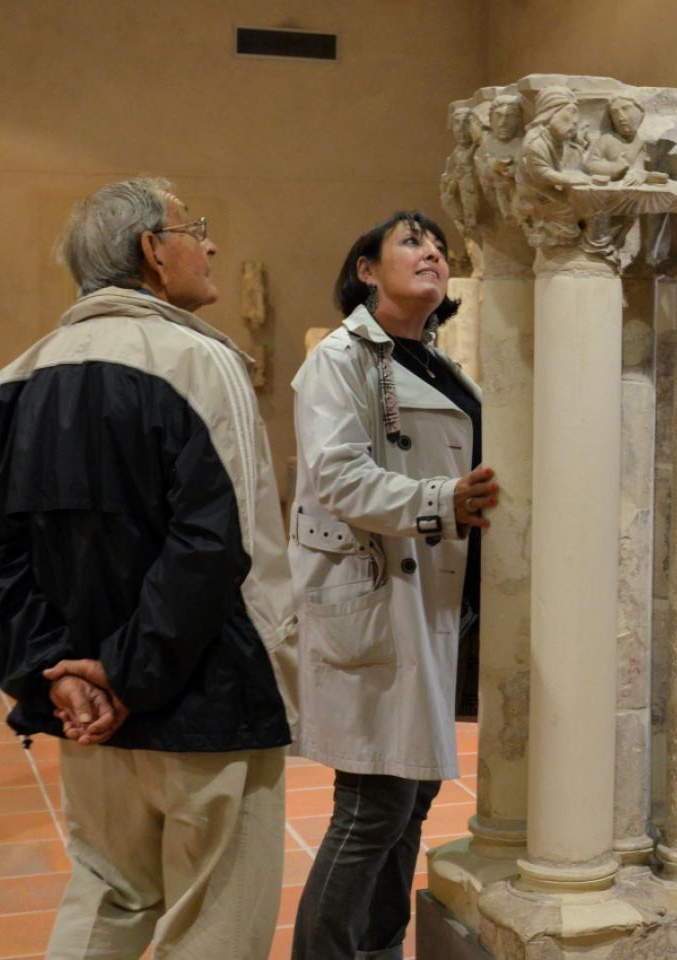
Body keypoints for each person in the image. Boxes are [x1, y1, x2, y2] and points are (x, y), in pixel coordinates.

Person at [0, 176, 298, 960]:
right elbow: (219, 545)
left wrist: (60, 675)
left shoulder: (6, 386)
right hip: (205, 694)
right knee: (213, 914)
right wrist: (129, 673)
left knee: (110, 891)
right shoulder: (198, 363)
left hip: (85, 705)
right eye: (195, 228)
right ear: (152, 249)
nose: (209, 246)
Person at [288, 211, 497, 960]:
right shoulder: (341, 359)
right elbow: (338, 476)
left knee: (412, 797)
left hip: (440, 597)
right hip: (381, 594)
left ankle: (378, 949)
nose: (433, 252)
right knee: (373, 803)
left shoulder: (440, 363)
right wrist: (442, 500)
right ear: (367, 271)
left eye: (439, 244)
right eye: (412, 241)